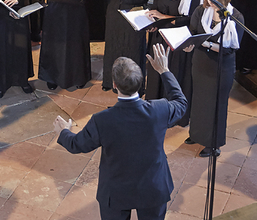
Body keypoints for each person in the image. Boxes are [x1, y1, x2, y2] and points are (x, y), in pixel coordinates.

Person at [54, 44, 186, 220]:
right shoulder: (160, 110)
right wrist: (164, 70)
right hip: (152, 187)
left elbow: (77, 145)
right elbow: (181, 102)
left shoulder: (102, 120)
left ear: (114, 85)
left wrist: (64, 132)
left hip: (116, 191)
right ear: (141, 82)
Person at [183, 0, 243, 157]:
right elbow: (193, 33)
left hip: (220, 68)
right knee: (199, 100)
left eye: (214, 0)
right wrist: (190, 45)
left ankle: (213, 143)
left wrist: (206, 44)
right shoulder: (201, 11)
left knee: (216, 105)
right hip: (201, 63)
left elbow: (230, 48)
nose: (209, 3)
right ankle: (196, 134)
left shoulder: (236, 18)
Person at [145, 0, 201, 124]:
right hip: (159, 36)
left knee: (172, 75)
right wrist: (153, 21)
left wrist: (163, 17)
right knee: (156, 75)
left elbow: (189, 19)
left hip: (176, 41)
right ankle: (154, 109)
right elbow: (155, 7)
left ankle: (172, 114)